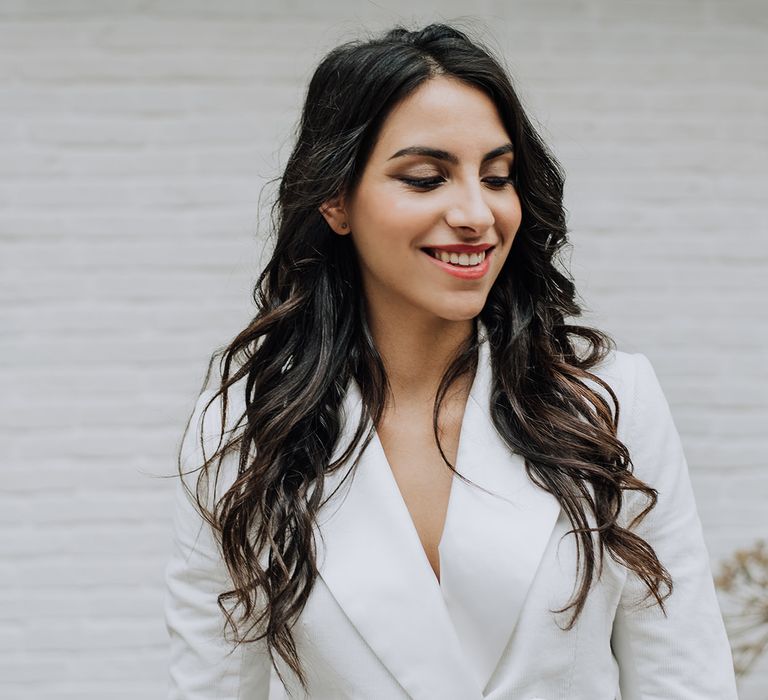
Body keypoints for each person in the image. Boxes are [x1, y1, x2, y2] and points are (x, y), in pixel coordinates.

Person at [163, 22, 738, 700]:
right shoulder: (246, 427)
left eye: (497, 177)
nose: (476, 213)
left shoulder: (606, 399)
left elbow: (684, 674)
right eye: (426, 178)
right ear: (336, 199)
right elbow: (213, 684)